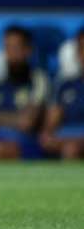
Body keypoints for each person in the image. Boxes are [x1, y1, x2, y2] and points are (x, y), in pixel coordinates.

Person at [0, 26, 48, 160]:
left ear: (27, 50)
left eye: (16, 48)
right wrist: (14, 118)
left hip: (23, 144)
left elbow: (26, 123)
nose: (11, 53)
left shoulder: (38, 81)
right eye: (7, 48)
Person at [40, 29, 84, 160]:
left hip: (72, 142)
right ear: (77, 54)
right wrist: (47, 136)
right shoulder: (64, 86)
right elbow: (50, 126)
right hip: (67, 137)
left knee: (71, 149)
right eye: (82, 49)